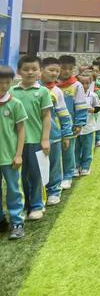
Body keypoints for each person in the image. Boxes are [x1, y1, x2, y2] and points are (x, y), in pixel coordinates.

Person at [10, 56, 52, 220]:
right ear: (19, 71)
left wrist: (45, 139)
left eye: (34, 69)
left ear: (40, 72)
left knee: (35, 174)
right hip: (14, 143)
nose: (30, 72)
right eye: (26, 69)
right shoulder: (12, 91)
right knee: (19, 177)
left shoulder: (42, 92)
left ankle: (36, 205)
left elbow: (46, 117)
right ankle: (25, 205)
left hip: (35, 141)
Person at [40, 57, 73, 205]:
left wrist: (66, 135)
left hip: (54, 135)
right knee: (36, 166)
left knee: (54, 164)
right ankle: (38, 194)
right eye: (51, 70)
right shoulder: (33, 88)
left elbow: (64, 115)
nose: (55, 73)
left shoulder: (57, 91)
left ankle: (54, 191)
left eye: (57, 71)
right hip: (33, 136)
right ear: (41, 70)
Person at [0, 66, 28, 239]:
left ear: (11, 83)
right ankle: (1, 220)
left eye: (6, 83)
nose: (3, 86)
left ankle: (17, 222)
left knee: (13, 190)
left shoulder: (15, 103)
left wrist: (18, 154)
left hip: (10, 157)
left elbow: (21, 131)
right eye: (0, 83)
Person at [57, 55, 88, 189]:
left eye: (70, 69)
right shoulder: (51, 85)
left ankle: (68, 176)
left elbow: (81, 105)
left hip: (69, 125)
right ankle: (56, 176)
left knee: (68, 151)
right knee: (55, 153)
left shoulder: (77, 85)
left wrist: (79, 123)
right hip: (53, 125)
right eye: (64, 68)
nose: (67, 71)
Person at [75, 75, 100, 176]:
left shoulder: (93, 95)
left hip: (88, 127)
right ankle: (76, 166)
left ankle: (86, 166)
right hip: (76, 127)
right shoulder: (74, 95)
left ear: (90, 84)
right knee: (76, 148)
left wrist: (92, 110)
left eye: (87, 83)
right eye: (82, 83)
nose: (84, 85)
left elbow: (97, 108)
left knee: (87, 147)